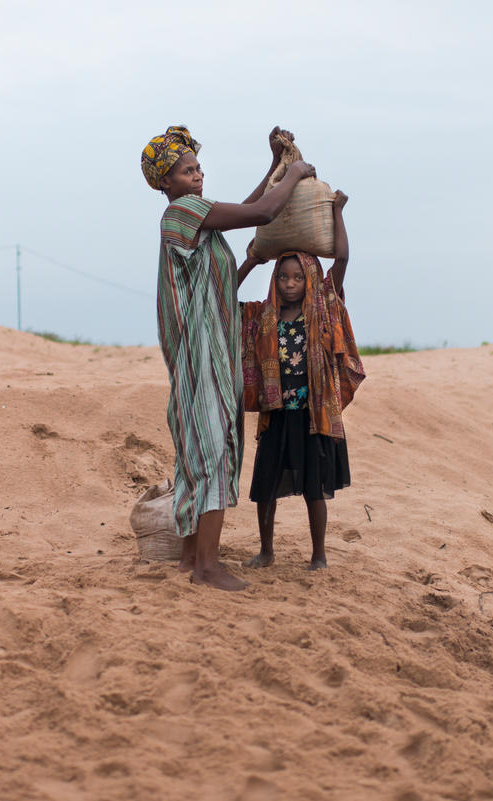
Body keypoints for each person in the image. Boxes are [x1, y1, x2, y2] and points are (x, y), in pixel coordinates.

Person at [142, 124, 315, 591]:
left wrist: (273, 169)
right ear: (166, 183)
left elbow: (223, 273)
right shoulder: (183, 213)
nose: (197, 176)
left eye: (198, 168)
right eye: (185, 171)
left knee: (200, 445)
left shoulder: (199, 221)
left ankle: (190, 558)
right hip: (202, 354)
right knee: (212, 446)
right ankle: (207, 567)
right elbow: (260, 211)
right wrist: (295, 172)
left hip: (208, 349)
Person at [236, 191, 364, 570]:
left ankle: (319, 555)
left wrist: (338, 211)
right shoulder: (262, 316)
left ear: (310, 279)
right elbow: (225, 293)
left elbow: (340, 257)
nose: (290, 283)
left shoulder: (323, 306)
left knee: (314, 490)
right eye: (283, 277)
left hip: (313, 416)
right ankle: (266, 550)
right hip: (277, 414)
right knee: (264, 489)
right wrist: (252, 261)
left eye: (297, 277)